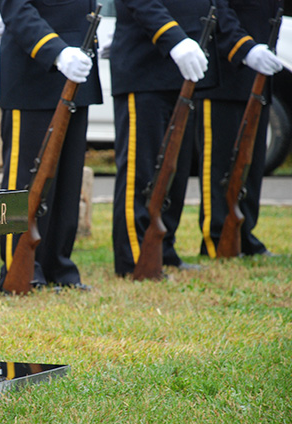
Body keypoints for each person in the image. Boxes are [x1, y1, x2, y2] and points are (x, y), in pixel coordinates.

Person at [0, 0, 103, 291]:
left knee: (67, 183)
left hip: (77, 68)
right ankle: (20, 268)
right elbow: (17, 7)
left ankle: (59, 266)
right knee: (27, 183)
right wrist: (55, 50)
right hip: (36, 73)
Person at [109, 0, 220, 277]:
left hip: (182, 70)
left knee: (176, 171)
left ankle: (163, 249)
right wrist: (174, 38)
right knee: (142, 172)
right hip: (146, 67)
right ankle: (134, 256)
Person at [191, 0, 284, 258]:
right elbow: (218, 10)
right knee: (221, 166)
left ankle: (244, 234)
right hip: (226, 74)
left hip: (258, 75)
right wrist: (244, 49)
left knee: (250, 167)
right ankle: (218, 238)